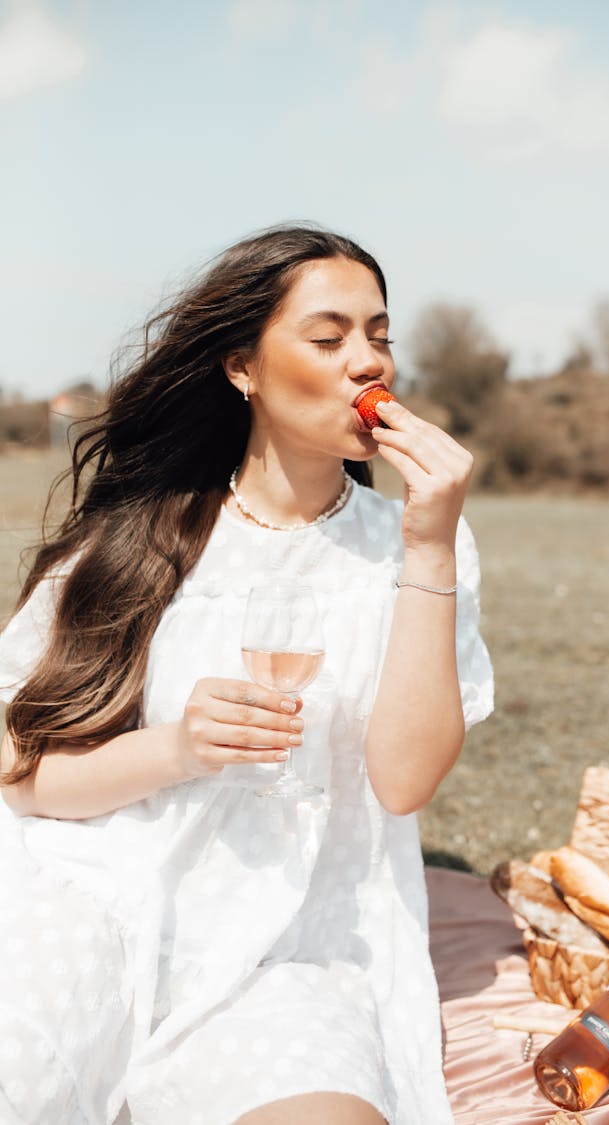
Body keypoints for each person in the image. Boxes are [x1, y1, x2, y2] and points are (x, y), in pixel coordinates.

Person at [0, 225, 494, 1125]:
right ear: (243, 367)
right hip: (98, 907)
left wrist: (427, 543)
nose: (366, 363)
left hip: (292, 948)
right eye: (328, 336)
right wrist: (181, 747)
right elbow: (24, 777)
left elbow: (404, 779)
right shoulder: (139, 540)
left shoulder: (417, 548)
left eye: (380, 335)